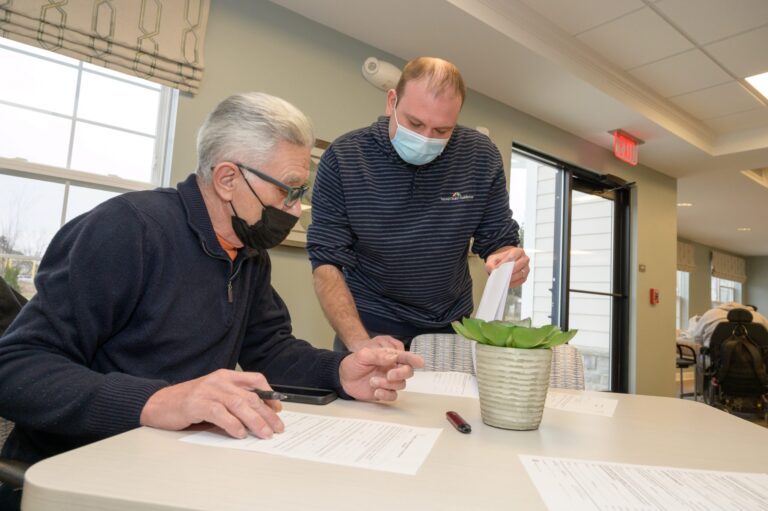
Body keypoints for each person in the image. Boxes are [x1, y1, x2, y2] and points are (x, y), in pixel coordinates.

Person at [0, 92, 423, 509]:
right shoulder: (127, 230)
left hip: (175, 466)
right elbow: (17, 367)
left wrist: (341, 372)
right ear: (227, 179)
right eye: (288, 191)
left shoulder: (247, 252)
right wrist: (157, 400)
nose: (296, 210)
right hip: (80, 472)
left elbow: (271, 348)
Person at [307, 57, 529, 353]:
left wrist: (508, 260)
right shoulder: (345, 159)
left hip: (452, 327)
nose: (426, 139)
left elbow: (498, 240)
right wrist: (360, 343)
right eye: (415, 123)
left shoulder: (480, 157)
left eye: (441, 131)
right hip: (370, 325)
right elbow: (326, 262)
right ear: (391, 102)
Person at [691, 302, 768, 347]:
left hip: (715, 363)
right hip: (756, 365)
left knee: (701, 355)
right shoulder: (759, 317)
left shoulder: (710, 314)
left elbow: (697, 339)